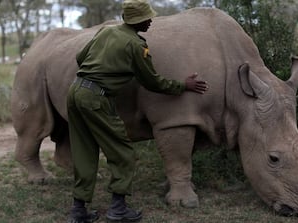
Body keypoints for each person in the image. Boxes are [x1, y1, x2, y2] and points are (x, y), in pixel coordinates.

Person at [67, 0, 209, 222]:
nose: (151, 21)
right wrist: (183, 86)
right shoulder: (136, 45)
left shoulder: (106, 32)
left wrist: (105, 66)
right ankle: (118, 209)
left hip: (75, 92)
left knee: (84, 151)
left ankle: (78, 211)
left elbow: (79, 58)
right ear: (138, 21)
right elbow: (152, 82)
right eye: (147, 18)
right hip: (97, 98)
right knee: (123, 153)